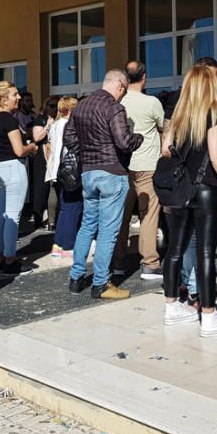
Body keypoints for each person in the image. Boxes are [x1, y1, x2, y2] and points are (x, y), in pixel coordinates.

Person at [161, 65, 217, 337]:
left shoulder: (178, 115)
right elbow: (216, 156)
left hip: (180, 191)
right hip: (206, 190)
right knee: (206, 253)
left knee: (175, 249)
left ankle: (171, 307)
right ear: (210, 86)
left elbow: (167, 151)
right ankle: (208, 317)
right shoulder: (213, 111)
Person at [64, 69, 143, 300]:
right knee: (108, 230)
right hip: (112, 173)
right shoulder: (114, 107)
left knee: (87, 225)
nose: (123, 96)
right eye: (124, 91)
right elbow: (124, 141)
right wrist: (139, 137)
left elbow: (69, 138)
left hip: (89, 173)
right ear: (119, 85)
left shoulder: (81, 106)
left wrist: (88, 152)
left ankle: (76, 278)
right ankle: (101, 283)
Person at [0, 81, 39, 276]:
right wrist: (32, 147)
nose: (18, 98)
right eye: (14, 95)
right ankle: (10, 260)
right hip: (13, 168)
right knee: (13, 216)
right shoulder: (9, 120)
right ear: (4, 99)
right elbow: (19, 150)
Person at [114, 61, 165, 280]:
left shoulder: (118, 101)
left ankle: (117, 262)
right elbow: (165, 126)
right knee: (149, 215)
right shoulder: (152, 102)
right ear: (144, 77)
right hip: (147, 165)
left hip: (122, 166)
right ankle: (149, 263)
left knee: (120, 216)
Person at [46, 97, 81, 258]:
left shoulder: (55, 125)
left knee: (64, 208)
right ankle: (68, 245)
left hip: (57, 171)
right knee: (73, 207)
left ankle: (58, 244)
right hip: (69, 171)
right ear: (71, 109)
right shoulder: (68, 124)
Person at [30, 96, 57, 230]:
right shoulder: (40, 119)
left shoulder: (59, 119)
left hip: (54, 157)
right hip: (41, 158)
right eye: (51, 105)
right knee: (41, 188)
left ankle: (51, 218)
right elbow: (36, 137)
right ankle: (38, 219)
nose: (54, 108)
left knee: (53, 188)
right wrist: (47, 126)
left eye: (56, 106)